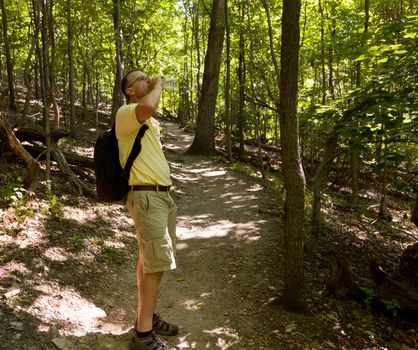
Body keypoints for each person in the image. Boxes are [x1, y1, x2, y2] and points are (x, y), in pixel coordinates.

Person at [116, 69, 178, 350]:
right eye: (140, 79)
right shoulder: (126, 112)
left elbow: (152, 107)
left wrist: (155, 85)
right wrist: (158, 84)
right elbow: (150, 104)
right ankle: (142, 336)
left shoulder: (148, 120)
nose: (147, 80)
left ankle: (146, 318)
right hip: (146, 197)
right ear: (129, 90)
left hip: (161, 197)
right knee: (155, 264)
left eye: (147, 79)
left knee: (150, 261)